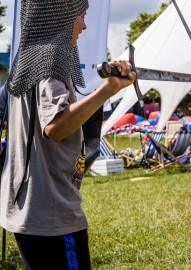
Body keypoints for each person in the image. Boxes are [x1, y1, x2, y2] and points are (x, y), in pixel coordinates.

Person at [0, 1, 136, 269]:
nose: (84, 25)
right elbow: (55, 127)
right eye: (81, 16)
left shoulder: (25, 61)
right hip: (51, 214)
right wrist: (108, 90)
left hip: (28, 208)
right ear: (62, 15)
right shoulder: (51, 59)